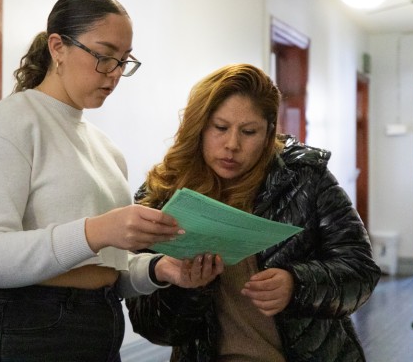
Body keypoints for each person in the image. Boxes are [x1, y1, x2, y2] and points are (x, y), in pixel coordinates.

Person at [0, 0, 223, 362]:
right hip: (25, 327)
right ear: (57, 47)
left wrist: (162, 268)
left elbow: (109, 268)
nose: (114, 74)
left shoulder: (105, 148)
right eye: (103, 56)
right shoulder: (8, 124)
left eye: (123, 61)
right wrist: (96, 231)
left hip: (100, 319)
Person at [126, 63, 382, 361]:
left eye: (249, 132)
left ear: (268, 132)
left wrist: (296, 284)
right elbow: (153, 327)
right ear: (198, 127)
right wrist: (188, 289)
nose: (232, 145)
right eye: (220, 128)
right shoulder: (160, 194)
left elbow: (361, 271)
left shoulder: (305, 178)